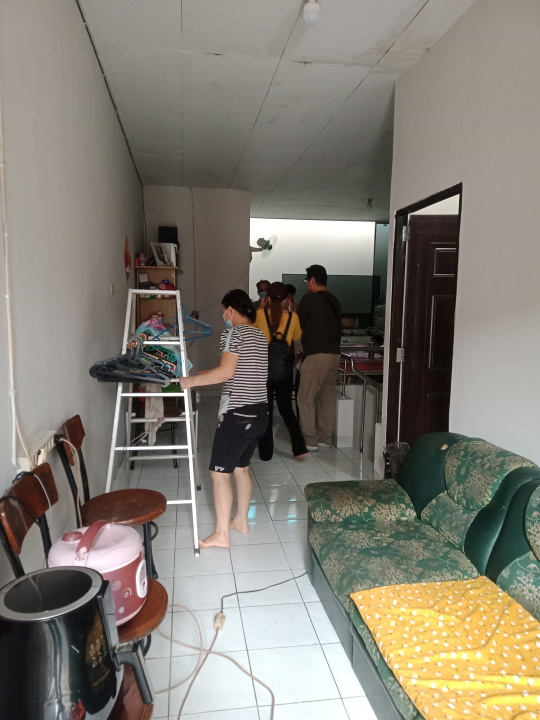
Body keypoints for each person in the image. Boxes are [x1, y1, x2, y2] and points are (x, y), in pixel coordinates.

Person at [179, 289, 268, 548]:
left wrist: (190, 382)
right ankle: (240, 521)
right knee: (241, 468)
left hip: (237, 414)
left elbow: (227, 373)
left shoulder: (233, 333)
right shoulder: (259, 335)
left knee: (219, 474)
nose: (224, 317)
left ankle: (221, 535)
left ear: (230, 310)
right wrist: (210, 373)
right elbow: (242, 370)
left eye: (223, 312)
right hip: (259, 413)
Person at [255, 282, 308, 461]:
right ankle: (299, 449)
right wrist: (290, 311)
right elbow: (297, 337)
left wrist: (260, 308)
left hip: (263, 369)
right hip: (284, 370)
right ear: (287, 299)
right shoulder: (293, 317)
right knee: (286, 409)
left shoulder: (260, 315)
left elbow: (253, 331)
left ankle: (266, 453)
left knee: (266, 411)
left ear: (268, 298)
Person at [296, 264, 342, 451]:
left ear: (312, 280)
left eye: (306, 280)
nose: (306, 284)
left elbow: (296, 326)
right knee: (327, 397)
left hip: (316, 354)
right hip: (334, 354)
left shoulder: (309, 299)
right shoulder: (334, 300)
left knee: (305, 398)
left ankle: (310, 440)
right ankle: (325, 438)